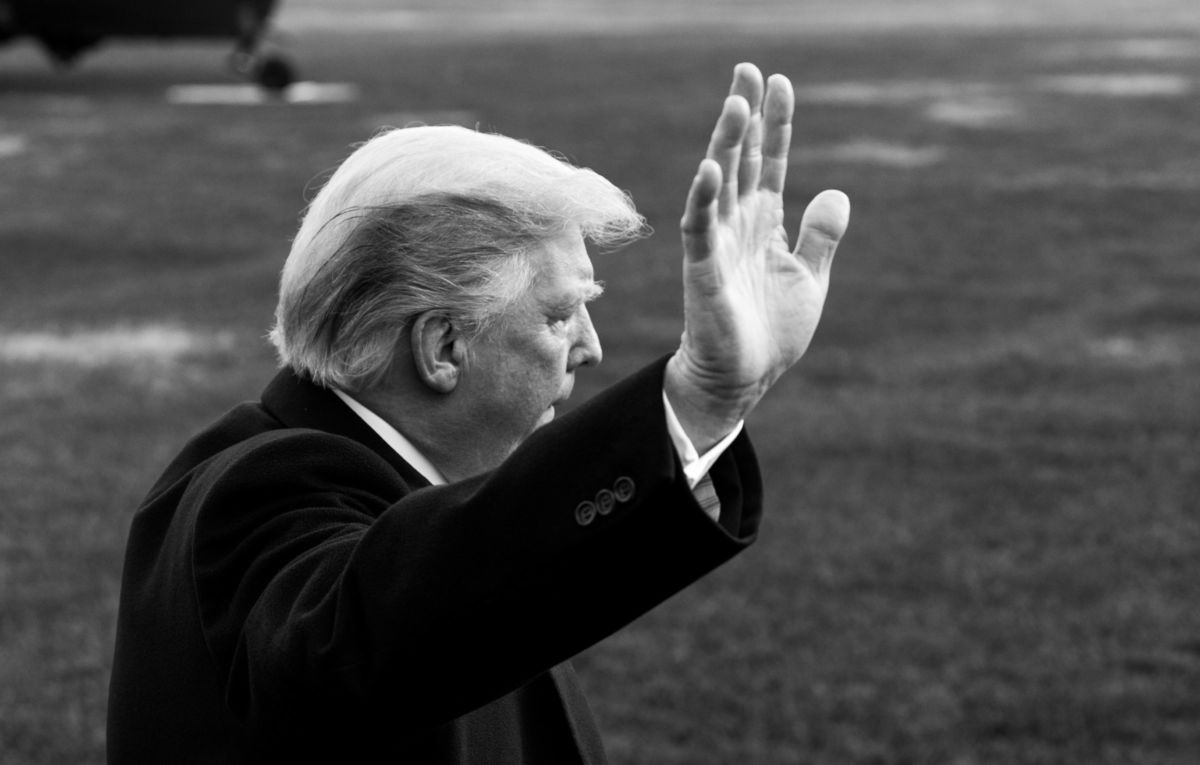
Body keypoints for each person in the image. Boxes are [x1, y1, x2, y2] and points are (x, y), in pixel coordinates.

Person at [106, 62, 850, 763]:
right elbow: (387, 624)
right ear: (443, 347)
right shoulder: (264, 488)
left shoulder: (359, 467)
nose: (591, 348)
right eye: (561, 316)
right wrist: (694, 399)